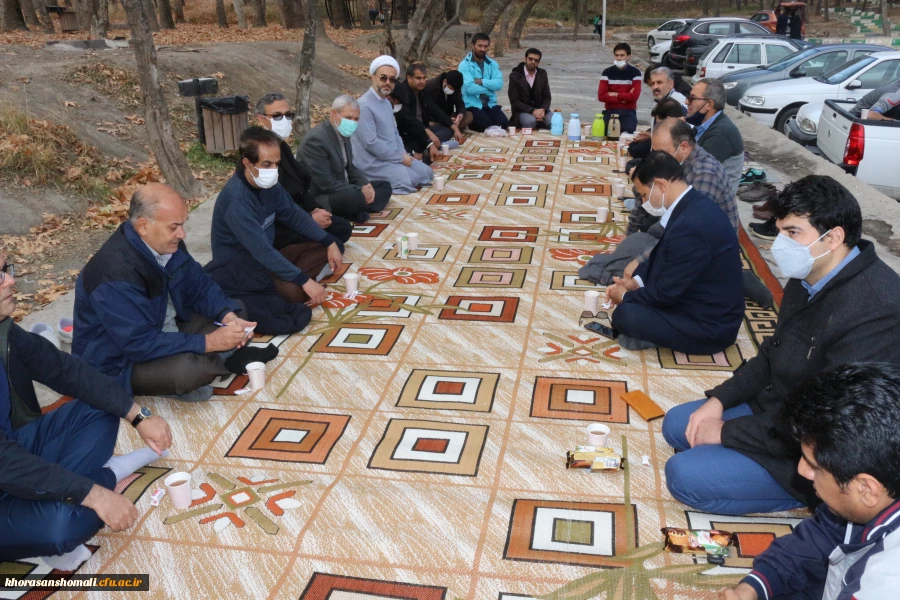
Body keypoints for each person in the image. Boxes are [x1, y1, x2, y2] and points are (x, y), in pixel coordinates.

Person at [662, 175, 900, 516]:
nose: (778, 244)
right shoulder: (809, 276)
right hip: (776, 410)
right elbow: (772, 352)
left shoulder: (878, 310)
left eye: (792, 233)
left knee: (684, 475)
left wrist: (727, 432)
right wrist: (720, 399)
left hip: (813, 448)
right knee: (677, 425)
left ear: (833, 237)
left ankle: (810, 496)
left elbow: (830, 424)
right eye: (780, 230)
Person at [0, 252, 174, 567]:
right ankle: (111, 472)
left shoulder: (4, 330)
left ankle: (62, 494)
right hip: (5, 465)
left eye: (5, 268)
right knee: (62, 527)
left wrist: (137, 414)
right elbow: (3, 462)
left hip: (14, 451)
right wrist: (95, 494)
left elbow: (65, 371)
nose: (11, 279)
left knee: (108, 399)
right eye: (0, 275)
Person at [719, 363, 900, 600]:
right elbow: (822, 536)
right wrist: (753, 587)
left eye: (814, 466)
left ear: (866, 489)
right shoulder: (861, 503)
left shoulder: (884, 582)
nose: (802, 471)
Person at [74, 183, 267, 403]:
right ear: (143, 226)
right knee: (187, 372)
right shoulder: (114, 273)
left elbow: (199, 285)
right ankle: (208, 363)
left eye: (182, 225)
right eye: (174, 227)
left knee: (236, 310)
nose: (182, 234)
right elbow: (139, 344)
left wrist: (227, 316)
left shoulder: (166, 243)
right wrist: (210, 343)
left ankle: (215, 357)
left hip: (167, 328)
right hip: (121, 361)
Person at [205, 127, 344, 335]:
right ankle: (296, 278)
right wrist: (304, 281)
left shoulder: (271, 186)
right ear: (247, 163)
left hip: (267, 260)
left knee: (335, 244)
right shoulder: (237, 201)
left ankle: (294, 275)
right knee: (296, 294)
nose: (273, 170)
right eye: (267, 164)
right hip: (242, 271)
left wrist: (328, 242)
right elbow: (261, 252)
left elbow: (294, 215)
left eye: (277, 164)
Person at [604, 151, 744, 353]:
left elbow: (665, 295)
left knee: (625, 315)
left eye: (644, 194)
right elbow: (664, 257)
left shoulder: (690, 226)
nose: (644, 202)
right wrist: (636, 283)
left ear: (660, 185)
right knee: (634, 303)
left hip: (709, 327)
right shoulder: (692, 204)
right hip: (699, 300)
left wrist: (625, 296)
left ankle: (655, 336)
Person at [255, 92, 353, 245]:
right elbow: (276, 205)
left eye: (288, 115)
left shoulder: (282, 146)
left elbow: (300, 189)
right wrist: (308, 219)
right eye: (277, 116)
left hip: (300, 211)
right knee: (333, 245)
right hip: (278, 223)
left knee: (343, 228)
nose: (285, 120)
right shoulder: (259, 154)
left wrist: (314, 209)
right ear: (262, 120)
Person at [299, 95, 393, 224]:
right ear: (333, 114)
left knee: (384, 186)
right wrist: (359, 191)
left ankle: (358, 209)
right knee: (354, 197)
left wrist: (365, 184)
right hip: (324, 194)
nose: (352, 122)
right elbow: (325, 183)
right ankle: (357, 207)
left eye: (356, 119)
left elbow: (350, 167)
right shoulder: (316, 140)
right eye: (348, 118)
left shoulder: (344, 133)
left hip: (344, 186)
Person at [352, 55, 434, 194]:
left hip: (393, 157)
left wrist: (403, 154)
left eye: (392, 79)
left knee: (427, 173)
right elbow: (370, 143)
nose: (387, 82)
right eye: (383, 78)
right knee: (411, 180)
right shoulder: (363, 105)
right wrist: (400, 158)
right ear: (373, 77)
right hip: (372, 162)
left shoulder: (385, 102)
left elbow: (395, 133)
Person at [686, 78, 745, 194]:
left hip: (713, 201)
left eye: (692, 98)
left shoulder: (721, 133)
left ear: (709, 104)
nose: (687, 102)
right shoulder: (704, 124)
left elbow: (691, 169)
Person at [397, 63, 465, 150]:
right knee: (417, 140)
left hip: (425, 128)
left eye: (424, 78)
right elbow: (410, 121)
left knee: (448, 129)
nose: (422, 81)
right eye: (418, 78)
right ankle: (428, 145)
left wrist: (455, 128)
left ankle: (430, 144)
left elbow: (436, 110)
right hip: (411, 131)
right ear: (409, 78)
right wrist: (429, 134)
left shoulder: (422, 91)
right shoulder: (402, 93)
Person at [458, 33, 509, 132]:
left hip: (490, 103)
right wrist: (489, 88)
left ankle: (487, 118)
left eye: (485, 46)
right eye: (480, 46)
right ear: (473, 46)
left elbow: (499, 84)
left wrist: (481, 81)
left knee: (503, 124)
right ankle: (470, 120)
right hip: (472, 104)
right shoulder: (464, 65)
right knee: (484, 124)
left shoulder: (492, 64)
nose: (483, 49)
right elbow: (468, 88)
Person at [597, 43, 642, 134]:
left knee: (627, 136)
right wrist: (623, 99)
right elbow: (601, 96)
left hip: (628, 112)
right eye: (616, 55)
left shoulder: (635, 73)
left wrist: (615, 94)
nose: (619, 58)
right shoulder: (607, 73)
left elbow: (634, 96)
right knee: (606, 135)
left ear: (628, 56)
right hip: (610, 111)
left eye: (622, 55)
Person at [508, 48, 552, 130]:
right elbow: (515, 101)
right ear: (525, 59)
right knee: (530, 122)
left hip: (540, 109)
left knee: (553, 122)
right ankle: (536, 121)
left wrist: (543, 110)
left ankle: (540, 119)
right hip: (523, 111)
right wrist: (532, 111)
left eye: (536, 60)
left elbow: (547, 96)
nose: (533, 62)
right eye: (530, 59)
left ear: (538, 62)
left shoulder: (542, 74)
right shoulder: (515, 76)